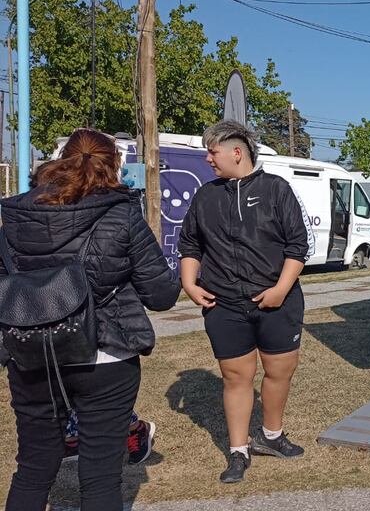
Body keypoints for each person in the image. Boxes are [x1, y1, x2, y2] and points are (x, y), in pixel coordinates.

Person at [0, 129, 179, 511]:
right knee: (100, 476)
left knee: (32, 468)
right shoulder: (122, 215)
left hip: (33, 354)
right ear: (114, 163)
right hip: (106, 354)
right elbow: (161, 295)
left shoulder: (14, 215)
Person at [178, 120, 315, 484]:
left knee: (278, 371)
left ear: (236, 152)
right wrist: (189, 284)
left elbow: (296, 247)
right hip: (225, 306)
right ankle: (239, 450)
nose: (208, 158)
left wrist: (281, 290)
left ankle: (272, 436)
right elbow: (190, 245)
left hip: (277, 302)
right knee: (237, 377)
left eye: (213, 152)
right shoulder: (206, 196)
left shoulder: (276, 189)